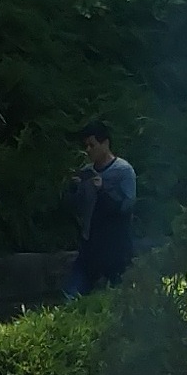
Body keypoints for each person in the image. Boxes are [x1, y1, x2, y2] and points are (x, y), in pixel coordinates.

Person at [65, 120, 136, 296]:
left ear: (105, 143)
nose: (88, 150)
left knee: (118, 294)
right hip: (90, 244)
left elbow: (126, 207)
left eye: (92, 145)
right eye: (86, 146)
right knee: (72, 294)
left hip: (115, 245)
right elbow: (77, 207)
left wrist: (103, 190)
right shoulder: (86, 171)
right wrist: (74, 189)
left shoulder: (124, 171)